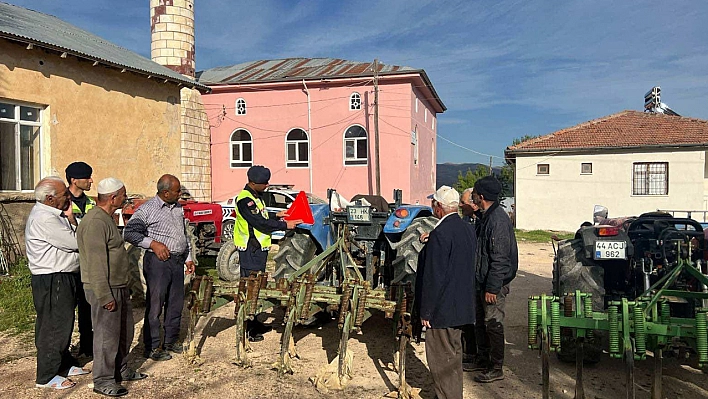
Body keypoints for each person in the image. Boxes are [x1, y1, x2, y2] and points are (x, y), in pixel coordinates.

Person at [77, 178, 147, 397]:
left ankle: (121, 369)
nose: (126, 199)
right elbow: (96, 264)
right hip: (105, 288)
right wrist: (105, 295)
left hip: (118, 285)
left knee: (124, 331)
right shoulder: (96, 222)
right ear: (113, 197)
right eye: (123, 195)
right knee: (106, 336)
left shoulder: (106, 219)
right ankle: (103, 380)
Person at [25, 176, 88, 390]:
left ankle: (64, 363)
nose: (68, 197)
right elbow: (77, 242)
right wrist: (72, 222)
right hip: (54, 277)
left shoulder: (55, 213)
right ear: (50, 198)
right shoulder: (44, 218)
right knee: (54, 326)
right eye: (64, 195)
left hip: (62, 276)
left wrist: (70, 219)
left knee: (63, 323)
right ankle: (46, 375)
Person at [123, 174, 195, 361]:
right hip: (158, 263)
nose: (180, 194)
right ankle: (153, 346)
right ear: (165, 192)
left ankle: (171, 341)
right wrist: (153, 244)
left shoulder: (177, 208)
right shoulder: (147, 209)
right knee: (155, 305)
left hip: (177, 261)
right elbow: (130, 232)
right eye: (177, 191)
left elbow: (183, 234)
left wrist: (188, 257)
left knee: (175, 304)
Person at [415, 185, 476, 399]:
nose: (432, 206)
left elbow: (434, 277)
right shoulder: (467, 229)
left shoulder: (441, 234)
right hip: (461, 307)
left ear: (438, 207)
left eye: (433, 203)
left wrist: (426, 312)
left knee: (441, 363)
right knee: (453, 359)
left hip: (443, 312)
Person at [235, 165, 302, 341]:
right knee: (250, 289)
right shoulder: (245, 200)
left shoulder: (257, 197)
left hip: (259, 249)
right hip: (250, 250)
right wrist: (284, 225)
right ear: (252, 182)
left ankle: (255, 323)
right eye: (263, 183)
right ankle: (248, 331)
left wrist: (277, 216)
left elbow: (263, 219)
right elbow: (259, 223)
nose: (266, 185)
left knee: (258, 286)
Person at [470, 176, 519, 383]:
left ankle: (496, 366)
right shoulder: (486, 217)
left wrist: (492, 288)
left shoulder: (497, 220)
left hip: (493, 286)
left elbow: (500, 259)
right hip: (483, 283)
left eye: (474, 195)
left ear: (481, 196)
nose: (472, 198)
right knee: (481, 323)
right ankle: (482, 359)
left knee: (493, 324)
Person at [65, 161, 95, 358]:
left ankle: (87, 346)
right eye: (87, 178)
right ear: (74, 180)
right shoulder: (62, 203)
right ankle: (64, 351)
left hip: (88, 264)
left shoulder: (91, 203)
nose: (91, 180)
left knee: (87, 307)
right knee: (66, 312)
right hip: (69, 264)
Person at [459, 187, 481, 371]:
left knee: (478, 320)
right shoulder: (465, 220)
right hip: (467, 277)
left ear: (473, 204)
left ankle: (478, 356)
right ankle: (469, 352)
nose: (460, 205)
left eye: (463, 202)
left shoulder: (483, 222)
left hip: (478, 279)